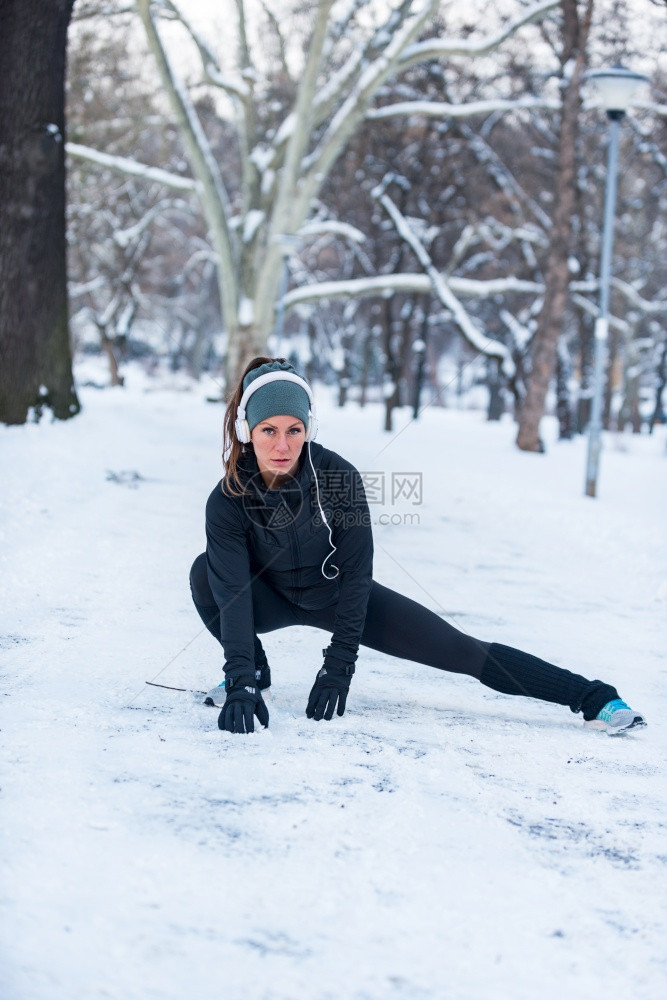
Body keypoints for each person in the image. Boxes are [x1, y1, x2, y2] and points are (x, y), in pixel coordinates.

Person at [189, 356, 647, 737]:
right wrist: (241, 682)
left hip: (338, 597)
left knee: (463, 651)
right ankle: (259, 673)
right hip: (266, 599)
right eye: (268, 430)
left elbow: (357, 574)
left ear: (308, 427)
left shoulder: (337, 478)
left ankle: (594, 697)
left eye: (294, 429)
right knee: (203, 573)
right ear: (248, 430)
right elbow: (232, 591)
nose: (283, 444)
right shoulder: (227, 498)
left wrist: (338, 666)